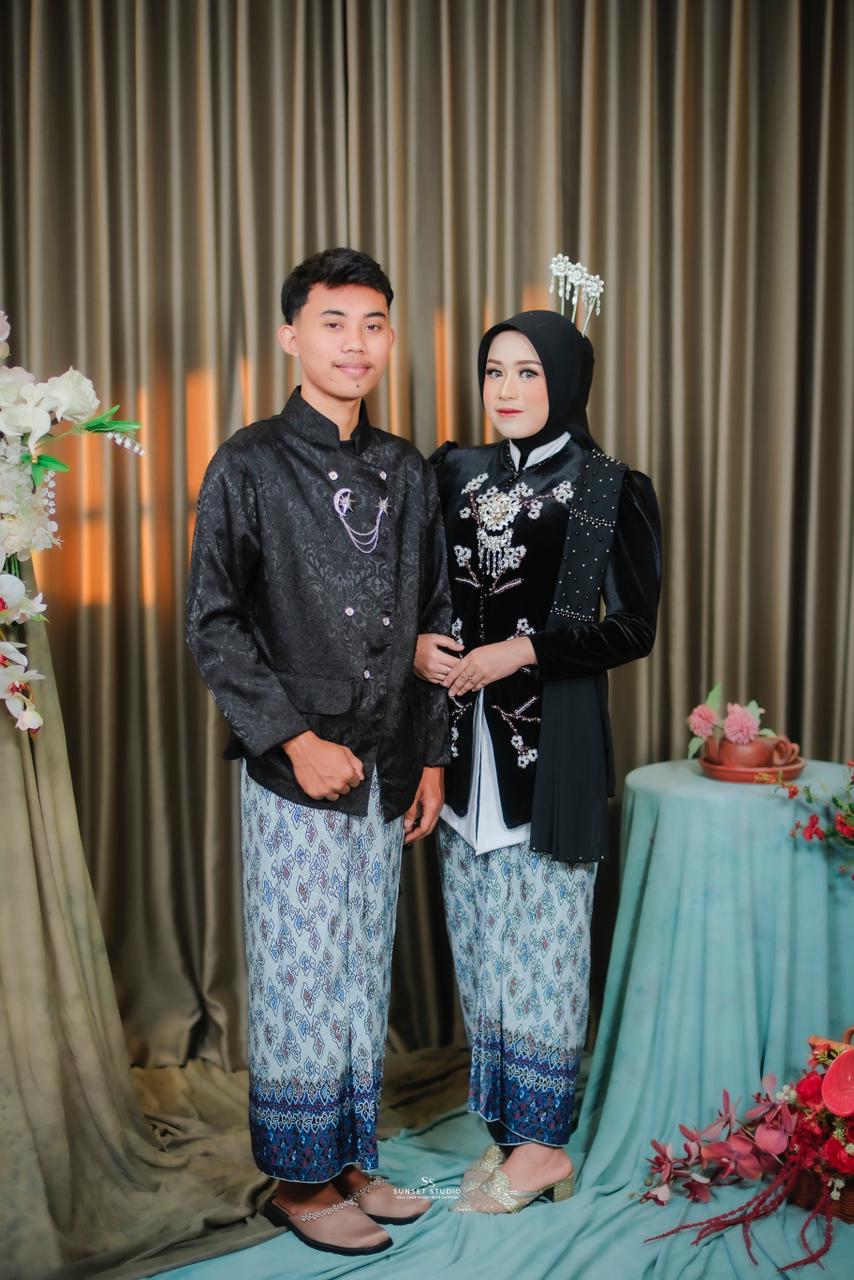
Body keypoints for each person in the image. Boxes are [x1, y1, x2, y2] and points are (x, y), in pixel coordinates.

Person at [186, 247, 450, 1255]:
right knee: (300, 976)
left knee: (358, 975)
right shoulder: (248, 463)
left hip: (388, 768)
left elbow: (431, 620)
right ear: (290, 334)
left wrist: (430, 759)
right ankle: (299, 1180)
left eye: (373, 323)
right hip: (295, 773)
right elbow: (213, 624)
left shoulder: (406, 469)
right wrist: (294, 740)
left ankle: (349, 1160)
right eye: (334, 322)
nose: (355, 342)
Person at [415, 308, 662, 1213]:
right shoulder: (455, 471)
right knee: (481, 945)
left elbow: (631, 628)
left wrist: (521, 651)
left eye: (528, 371)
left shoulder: (606, 486)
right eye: (495, 371)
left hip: (550, 748)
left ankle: (544, 1147)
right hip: (460, 754)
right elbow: (424, 590)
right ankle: (507, 1132)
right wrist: (421, 645)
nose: (507, 389)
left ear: (567, 380)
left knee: (545, 951)